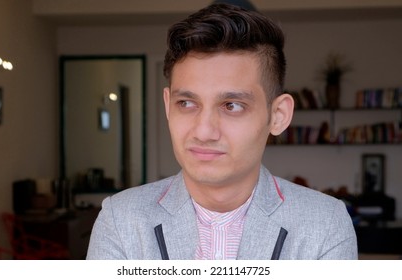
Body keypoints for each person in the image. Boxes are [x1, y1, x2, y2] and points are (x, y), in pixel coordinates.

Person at [86, 3, 357, 260]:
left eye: (232, 105)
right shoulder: (121, 220)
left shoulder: (325, 223)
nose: (204, 131)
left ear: (278, 115)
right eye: (187, 103)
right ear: (168, 106)